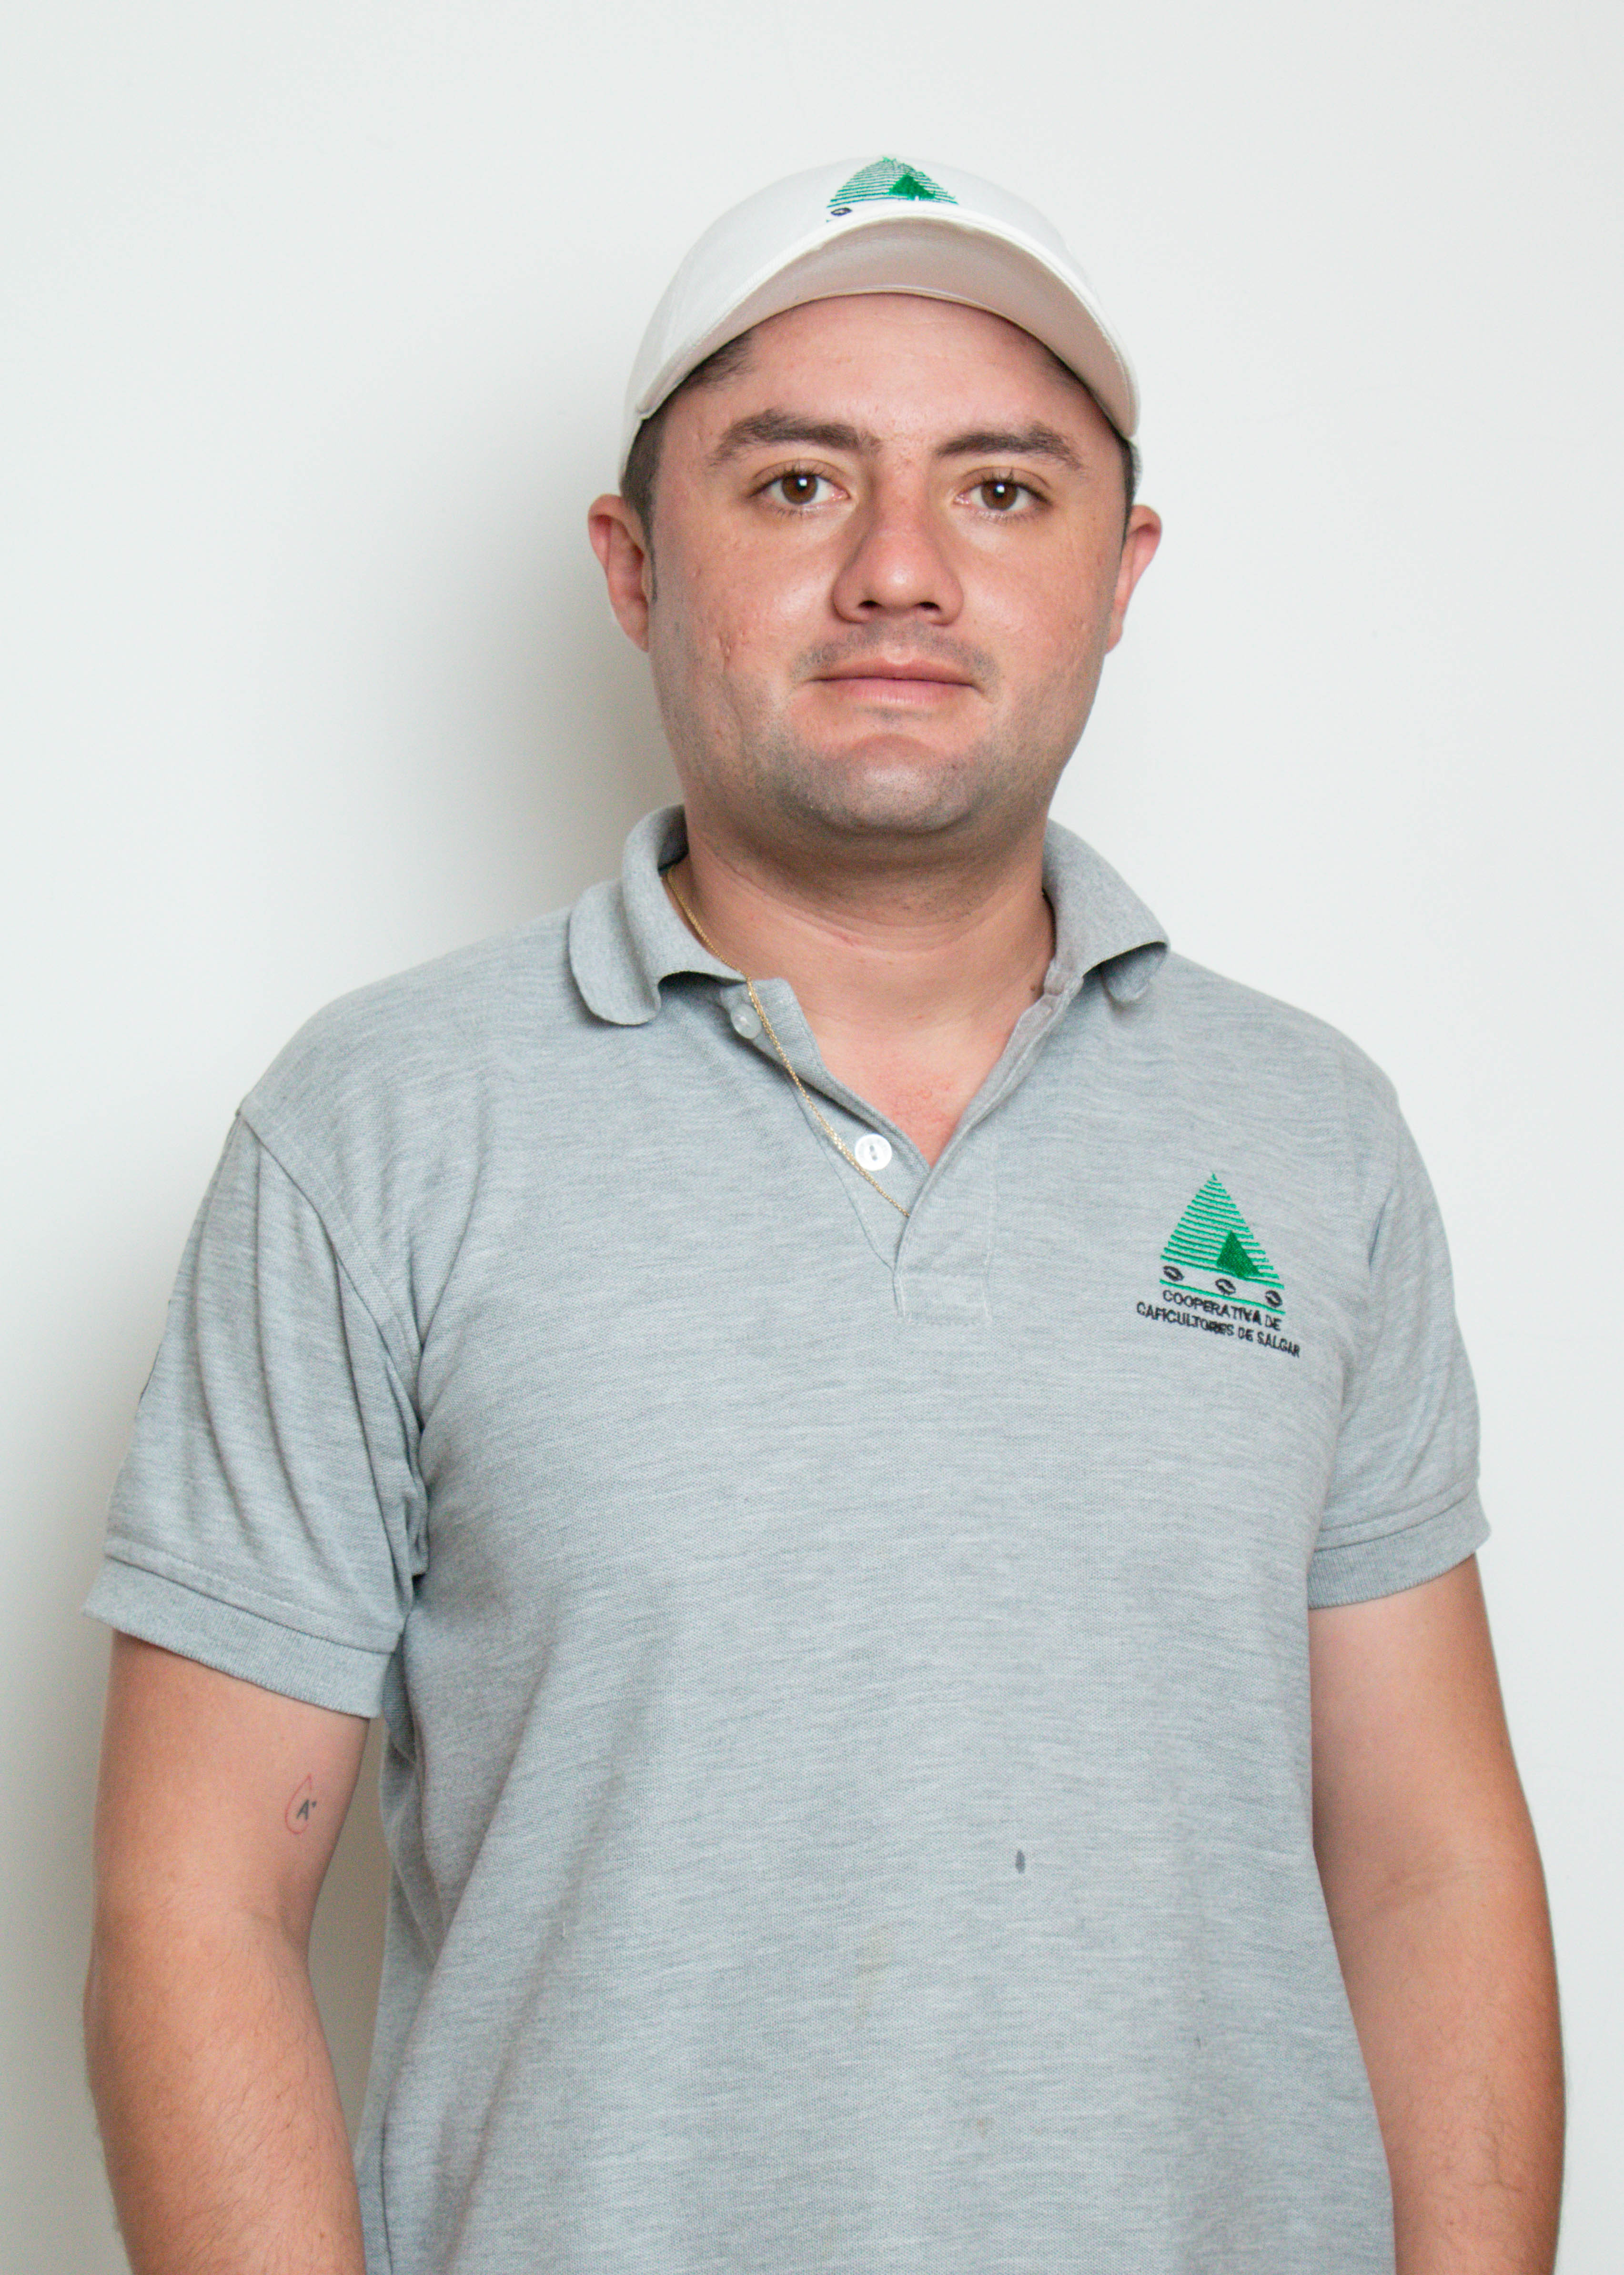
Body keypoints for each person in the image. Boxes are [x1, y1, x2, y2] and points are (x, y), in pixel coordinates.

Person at [83, 155, 1563, 2275]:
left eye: (1000, 491)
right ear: (632, 563)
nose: (897, 573)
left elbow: (1428, 1868)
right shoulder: (378, 1130)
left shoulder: (1310, 1135)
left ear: (1119, 570)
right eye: (794, 484)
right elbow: (197, 1907)